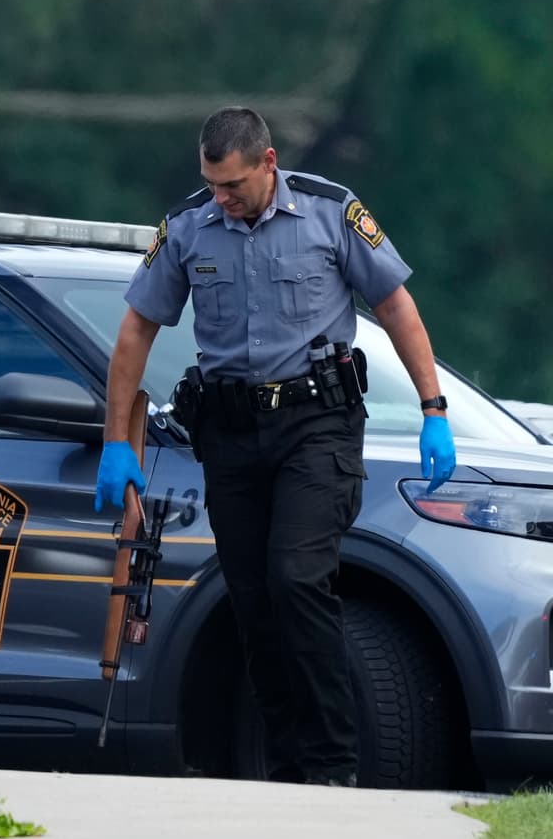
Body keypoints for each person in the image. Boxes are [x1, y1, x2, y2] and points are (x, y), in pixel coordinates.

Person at [95, 106, 456, 787]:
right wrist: (118, 443)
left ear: (268, 162)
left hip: (317, 427)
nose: (221, 199)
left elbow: (395, 305)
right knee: (253, 599)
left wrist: (433, 408)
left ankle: (333, 763)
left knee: (296, 578)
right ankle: (287, 766)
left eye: (232, 185)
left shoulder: (331, 211)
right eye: (212, 184)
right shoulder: (188, 225)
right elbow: (137, 330)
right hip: (231, 434)